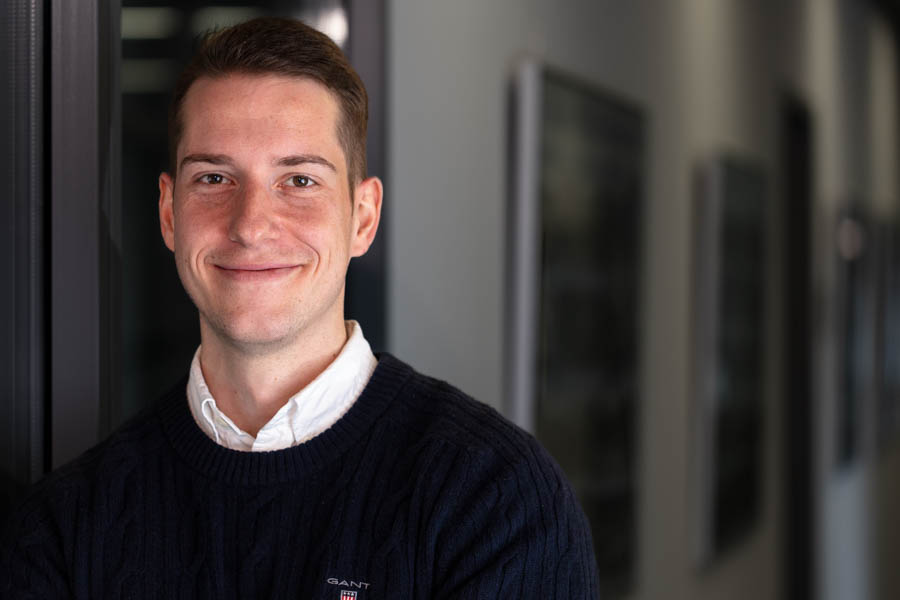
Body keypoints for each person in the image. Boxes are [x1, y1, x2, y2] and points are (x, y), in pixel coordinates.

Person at [1, 17, 599, 598]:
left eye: (300, 181)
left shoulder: (495, 502)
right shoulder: (66, 526)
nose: (250, 225)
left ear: (362, 217)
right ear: (168, 213)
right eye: (213, 178)